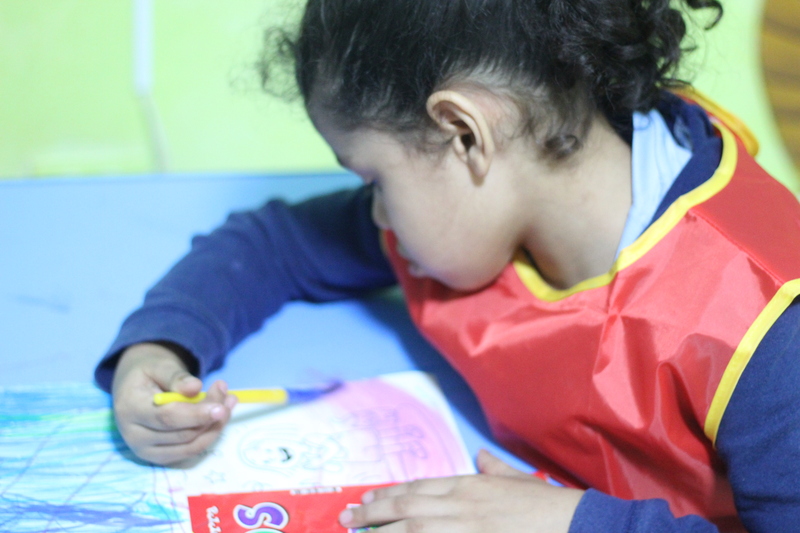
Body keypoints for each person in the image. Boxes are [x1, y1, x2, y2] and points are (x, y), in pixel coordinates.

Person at [95, 0, 800, 531]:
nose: (375, 216)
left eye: (374, 180)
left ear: (464, 133)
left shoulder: (765, 327)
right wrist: (158, 346)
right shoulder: (497, 193)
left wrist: (567, 522)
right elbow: (277, 241)